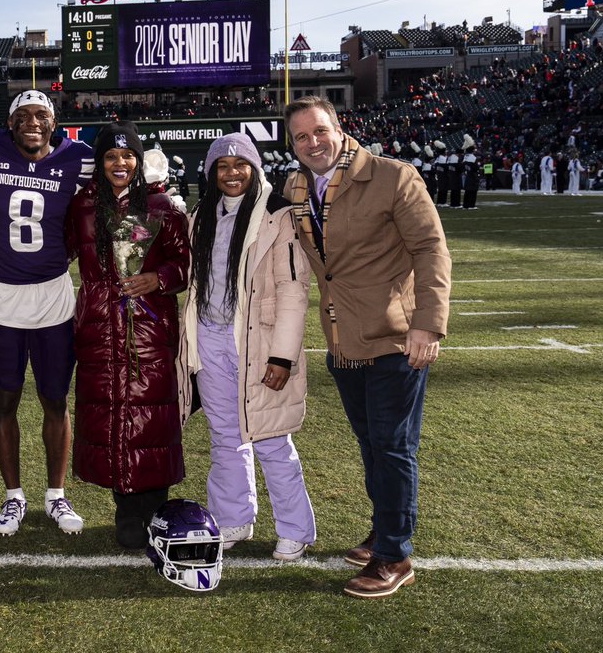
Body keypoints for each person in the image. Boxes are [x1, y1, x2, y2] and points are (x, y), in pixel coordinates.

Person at [284, 96, 450, 599]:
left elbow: (431, 248)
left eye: (320, 131)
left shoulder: (392, 176)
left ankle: (395, 555)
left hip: (397, 337)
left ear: (340, 128)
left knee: (393, 447)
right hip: (343, 339)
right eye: (301, 137)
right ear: (291, 145)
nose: (313, 143)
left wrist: (428, 325)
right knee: (371, 444)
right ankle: (385, 527)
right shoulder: (295, 187)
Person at [0, 90, 94, 537]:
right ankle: (13, 495)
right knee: (5, 400)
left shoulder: (78, 158)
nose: (33, 123)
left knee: (55, 399)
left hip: (54, 295)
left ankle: (55, 495)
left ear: (55, 123)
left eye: (42, 115)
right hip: (2, 295)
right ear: (10, 123)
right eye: (23, 116)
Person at [176, 133, 315, 562]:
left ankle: (295, 529)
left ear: (254, 169)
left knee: (271, 438)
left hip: (259, 342)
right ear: (211, 172)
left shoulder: (277, 214)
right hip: (210, 337)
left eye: (241, 165)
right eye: (223, 166)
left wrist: (282, 356)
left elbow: (293, 291)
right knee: (225, 437)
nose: (232, 173)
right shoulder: (201, 215)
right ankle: (234, 517)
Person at [64, 122, 189, 549]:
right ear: (100, 164)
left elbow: (186, 264)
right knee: (112, 411)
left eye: (128, 156)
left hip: (149, 326)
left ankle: (153, 507)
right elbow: (56, 250)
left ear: (138, 162)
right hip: (99, 326)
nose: (120, 164)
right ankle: (125, 507)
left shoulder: (162, 207)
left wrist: (159, 277)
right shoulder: (81, 206)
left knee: (150, 415)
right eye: (111, 157)